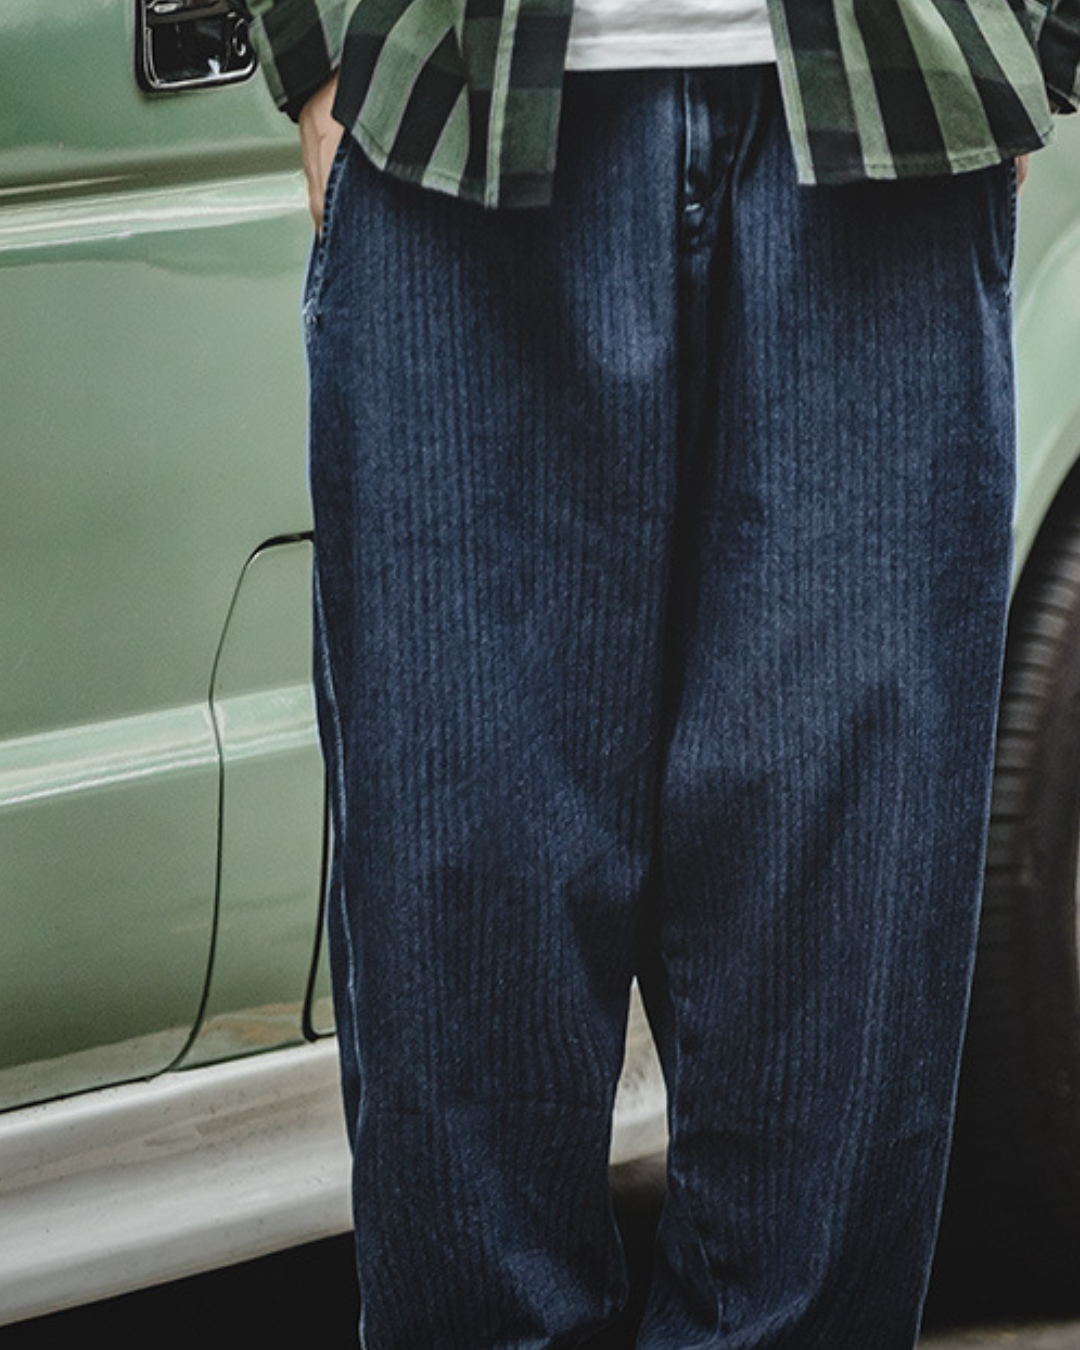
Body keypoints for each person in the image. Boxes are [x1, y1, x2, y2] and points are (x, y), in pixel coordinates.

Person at [245, 2, 1080, 1347]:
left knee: (840, 1046)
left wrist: (1035, 42)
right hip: (451, 110)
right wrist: (309, 50)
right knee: (464, 1003)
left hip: (889, 109)